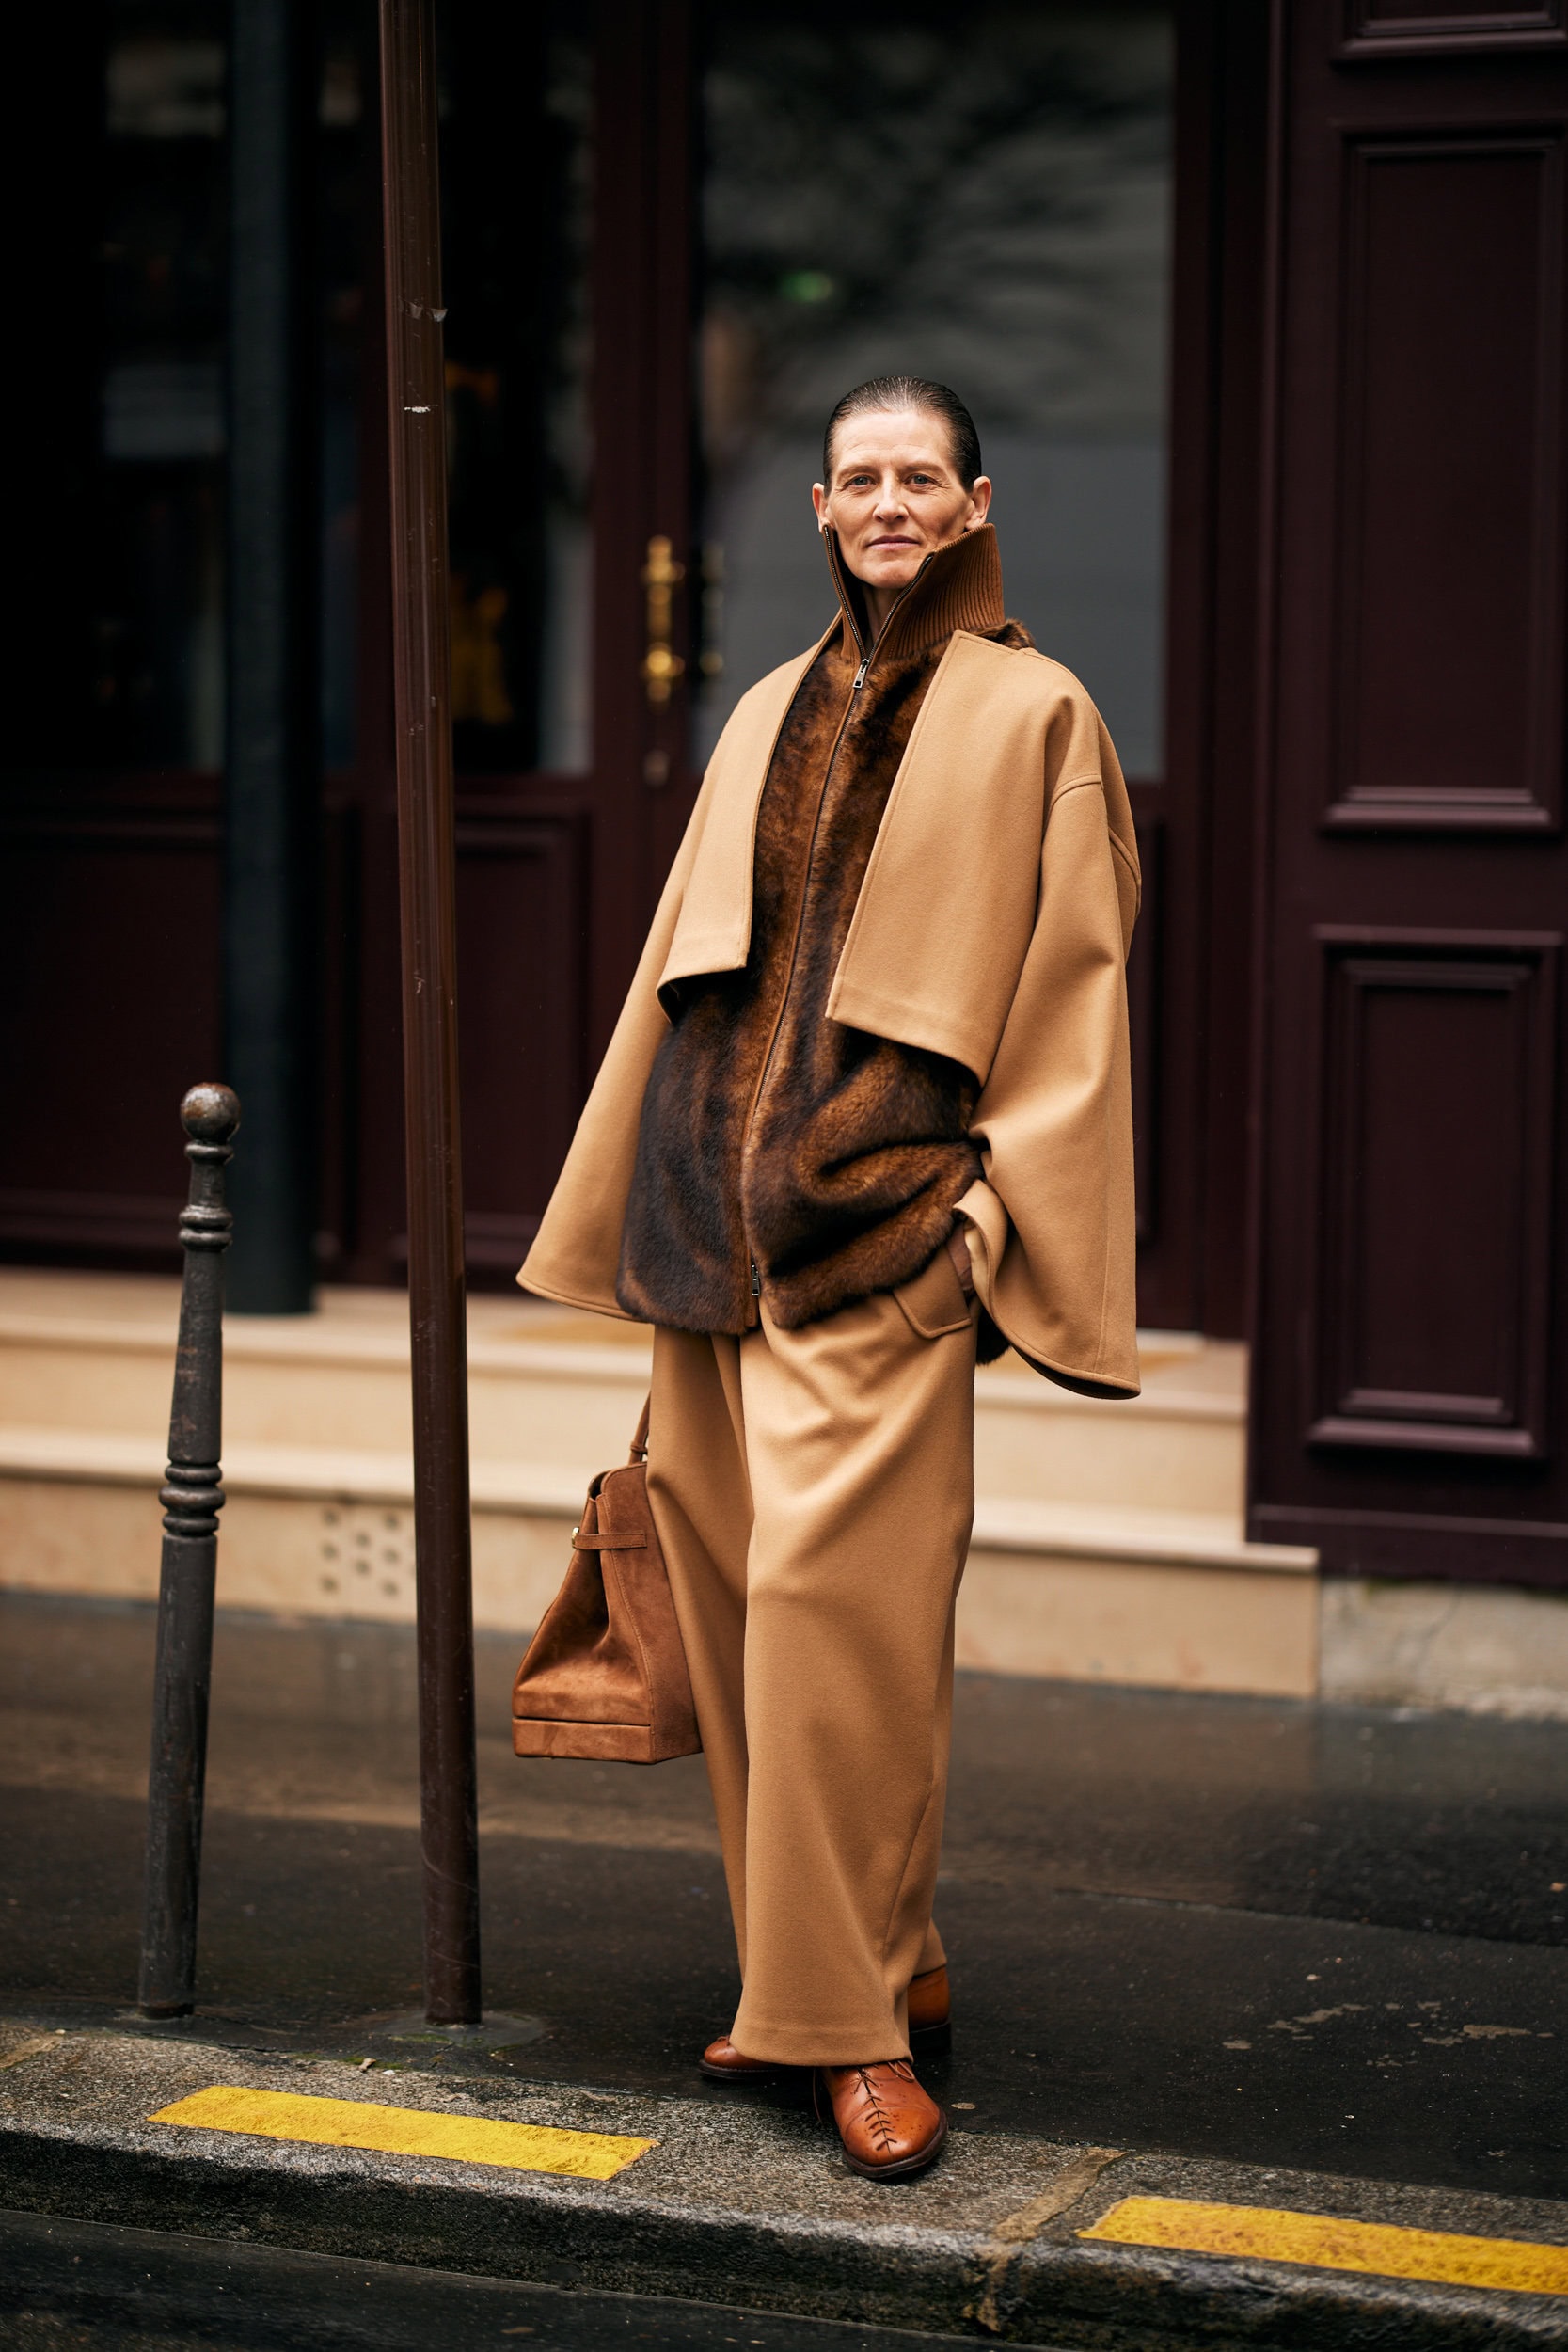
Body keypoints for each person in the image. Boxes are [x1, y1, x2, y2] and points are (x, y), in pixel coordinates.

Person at [519, 375, 1140, 2181]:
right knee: (736, 1629)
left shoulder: (1042, 716)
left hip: (884, 1253)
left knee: (835, 1645)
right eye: (859, 476)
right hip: (712, 1259)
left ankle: (844, 2035)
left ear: (973, 502)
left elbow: (1079, 1001)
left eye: (918, 477)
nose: (887, 502)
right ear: (819, 505)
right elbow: (681, 974)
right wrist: (625, 1220)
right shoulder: (763, 712)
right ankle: (887, 1963)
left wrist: (985, 1241)